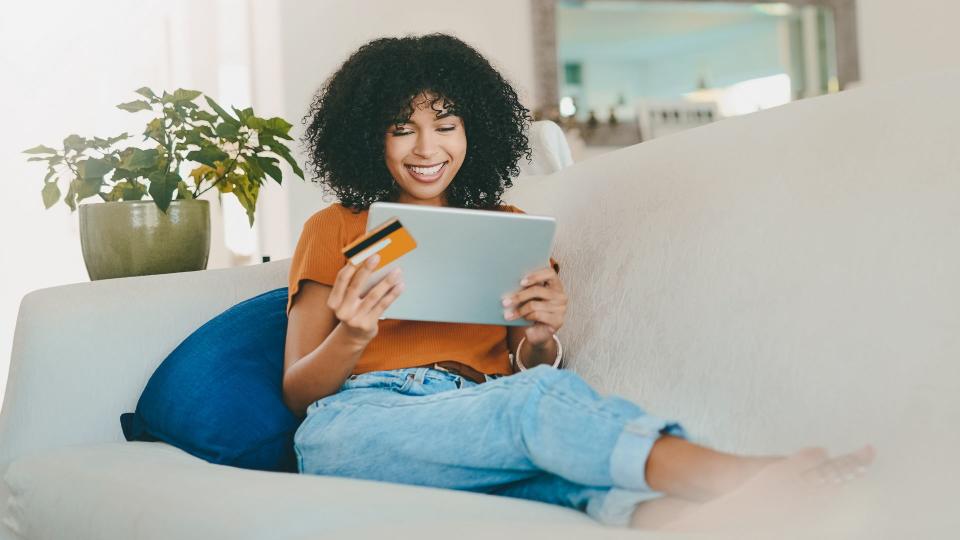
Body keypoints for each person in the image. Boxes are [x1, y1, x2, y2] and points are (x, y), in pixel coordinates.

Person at [283, 33, 873, 531]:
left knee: (576, 483)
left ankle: (745, 522)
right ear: (368, 136)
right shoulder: (335, 229)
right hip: (360, 425)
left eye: (446, 125)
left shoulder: (508, 231)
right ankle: (741, 474)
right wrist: (352, 338)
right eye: (401, 129)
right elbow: (299, 393)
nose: (428, 148)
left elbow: (526, 370)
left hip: (480, 412)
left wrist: (541, 335)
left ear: (474, 132)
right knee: (535, 409)